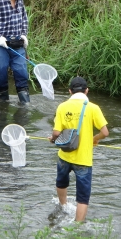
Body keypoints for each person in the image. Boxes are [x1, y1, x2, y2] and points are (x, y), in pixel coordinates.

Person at [48, 77, 109, 222]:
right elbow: (105, 133)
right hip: (84, 159)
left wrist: (52, 139)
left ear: (70, 91)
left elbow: (56, 133)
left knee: (61, 182)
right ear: (86, 91)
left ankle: (63, 207)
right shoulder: (93, 108)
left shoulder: (62, 107)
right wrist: (95, 138)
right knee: (82, 197)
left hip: (64, 155)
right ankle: (77, 227)